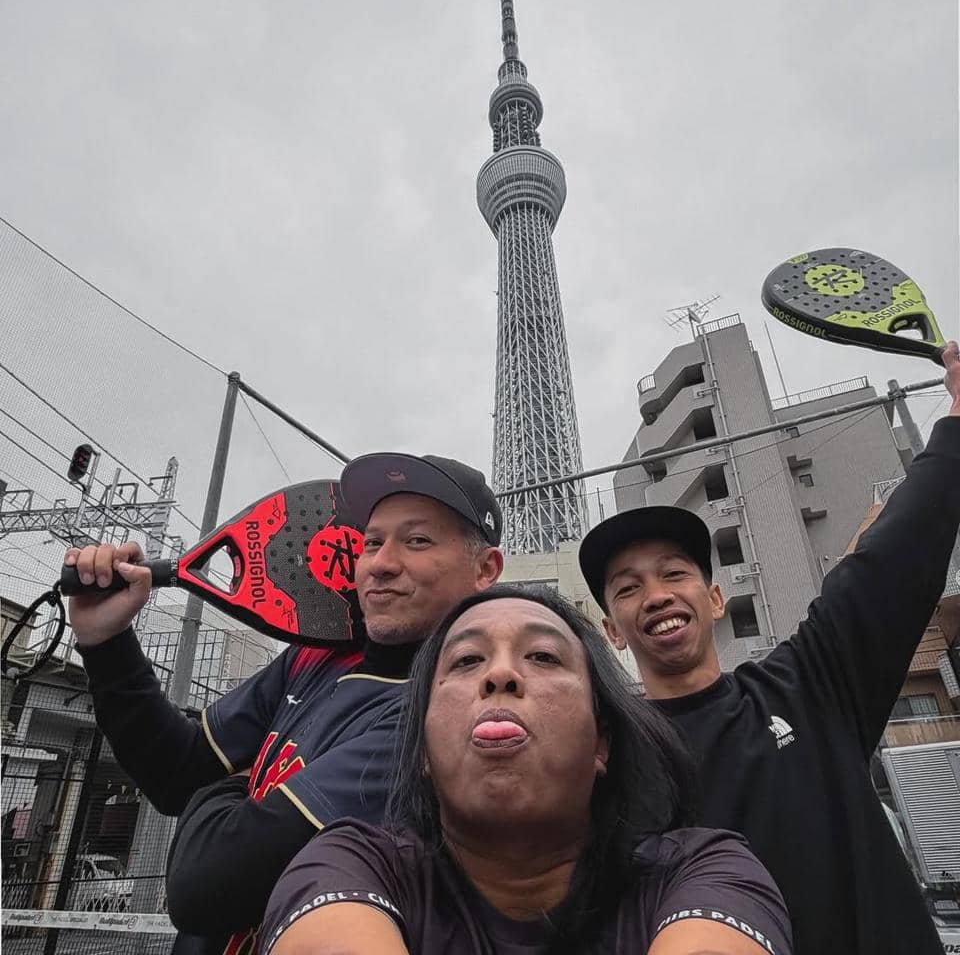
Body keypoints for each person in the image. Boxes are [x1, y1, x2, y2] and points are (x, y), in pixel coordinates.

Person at [577, 341, 960, 955]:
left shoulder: (807, 687)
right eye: (628, 588)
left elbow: (888, 564)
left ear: (714, 598)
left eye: (675, 575)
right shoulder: (601, 758)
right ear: (612, 631)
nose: (655, 595)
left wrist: (955, 427)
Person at [65, 452, 504, 955]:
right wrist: (107, 642)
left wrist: (230, 782)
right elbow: (177, 772)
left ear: (485, 568)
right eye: (372, 542)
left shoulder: (441, 713)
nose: (382, 563)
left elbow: (207, 887)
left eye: (417, 540)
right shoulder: (312, 657)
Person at [260, 585, 793, 955]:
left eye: (542, 656)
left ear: (600, 743)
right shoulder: (350, 863)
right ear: (422, 749)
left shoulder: (701, 872)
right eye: (466, 661)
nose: (500, 674)